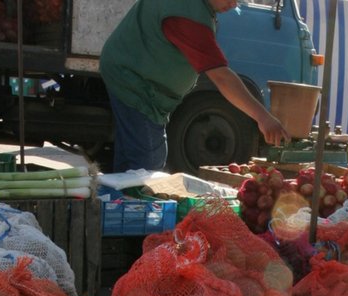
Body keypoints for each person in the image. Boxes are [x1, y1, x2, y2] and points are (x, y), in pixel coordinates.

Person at [99, 0, 290, 173]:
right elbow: (221, 77)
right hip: (134, 82)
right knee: (146, 166)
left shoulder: (196, 7)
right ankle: (132, 206)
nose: (234, 5)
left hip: (137, 79)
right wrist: (263, 117)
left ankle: (118, 205)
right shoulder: (186, 13)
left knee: (133, 166)